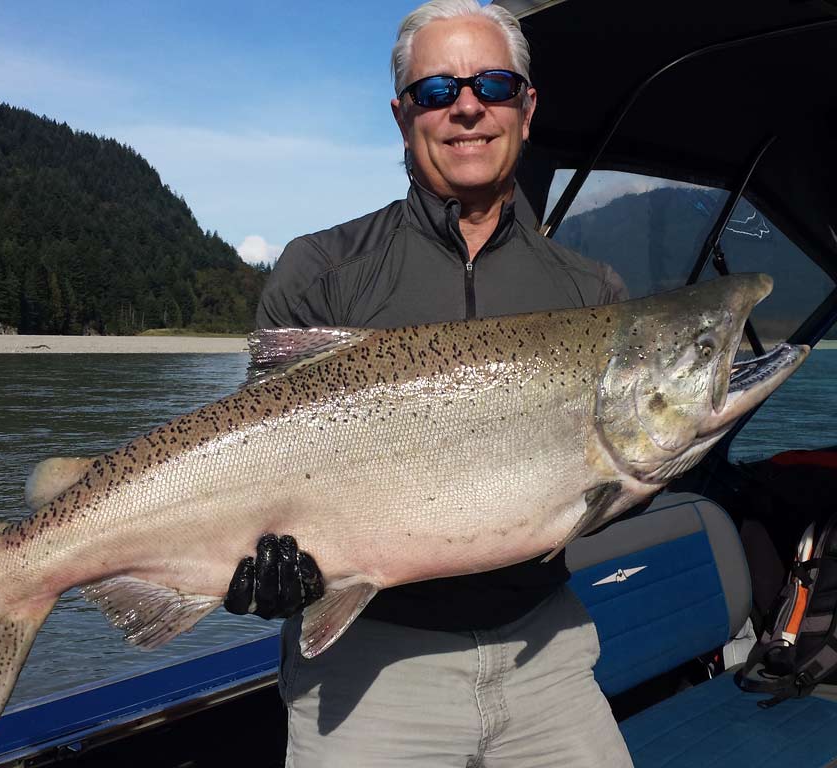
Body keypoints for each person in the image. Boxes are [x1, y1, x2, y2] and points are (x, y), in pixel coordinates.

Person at [225, 1, 632, 765]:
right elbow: (252, 462)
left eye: (494, 85)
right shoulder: (321, 273)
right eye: (438, 90)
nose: (468, 106)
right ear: (402, 114)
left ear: (528, 106)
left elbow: (608, 484)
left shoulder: (594, 294)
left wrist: (684, 452)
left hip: (546, 657)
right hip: (366, 672)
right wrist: (263, 568)